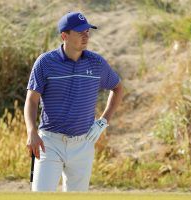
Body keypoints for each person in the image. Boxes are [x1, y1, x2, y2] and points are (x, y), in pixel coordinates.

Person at [24, 11, 123, 192]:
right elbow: (31, 100)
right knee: (41, 194)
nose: (86, 36)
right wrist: (31, 131)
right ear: (64, 36)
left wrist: (103, 121)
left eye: (87, 31)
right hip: (49, 143)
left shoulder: (96, 63)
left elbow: (117, 88)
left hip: (83, 145)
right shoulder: (45, 62)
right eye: (80, 32)